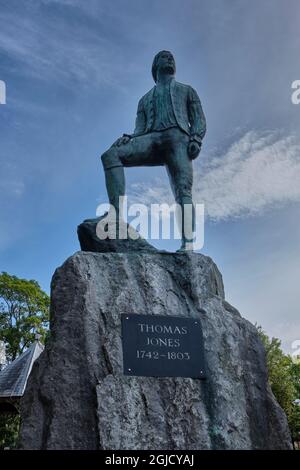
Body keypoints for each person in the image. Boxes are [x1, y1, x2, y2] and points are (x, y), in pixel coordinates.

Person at [101, 50, 206, 251]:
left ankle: (188, 243)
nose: (170, 59)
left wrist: (196, 138)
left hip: (178, 139)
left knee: (183, 190)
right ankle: (114, 216)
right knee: (111, 154)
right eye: (164, 57)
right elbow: (139, 129)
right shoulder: (144, 100)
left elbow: (199, 119)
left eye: (172, 57)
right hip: (150, 139)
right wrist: (130, 138)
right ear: (155, 66)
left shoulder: (187, 91)